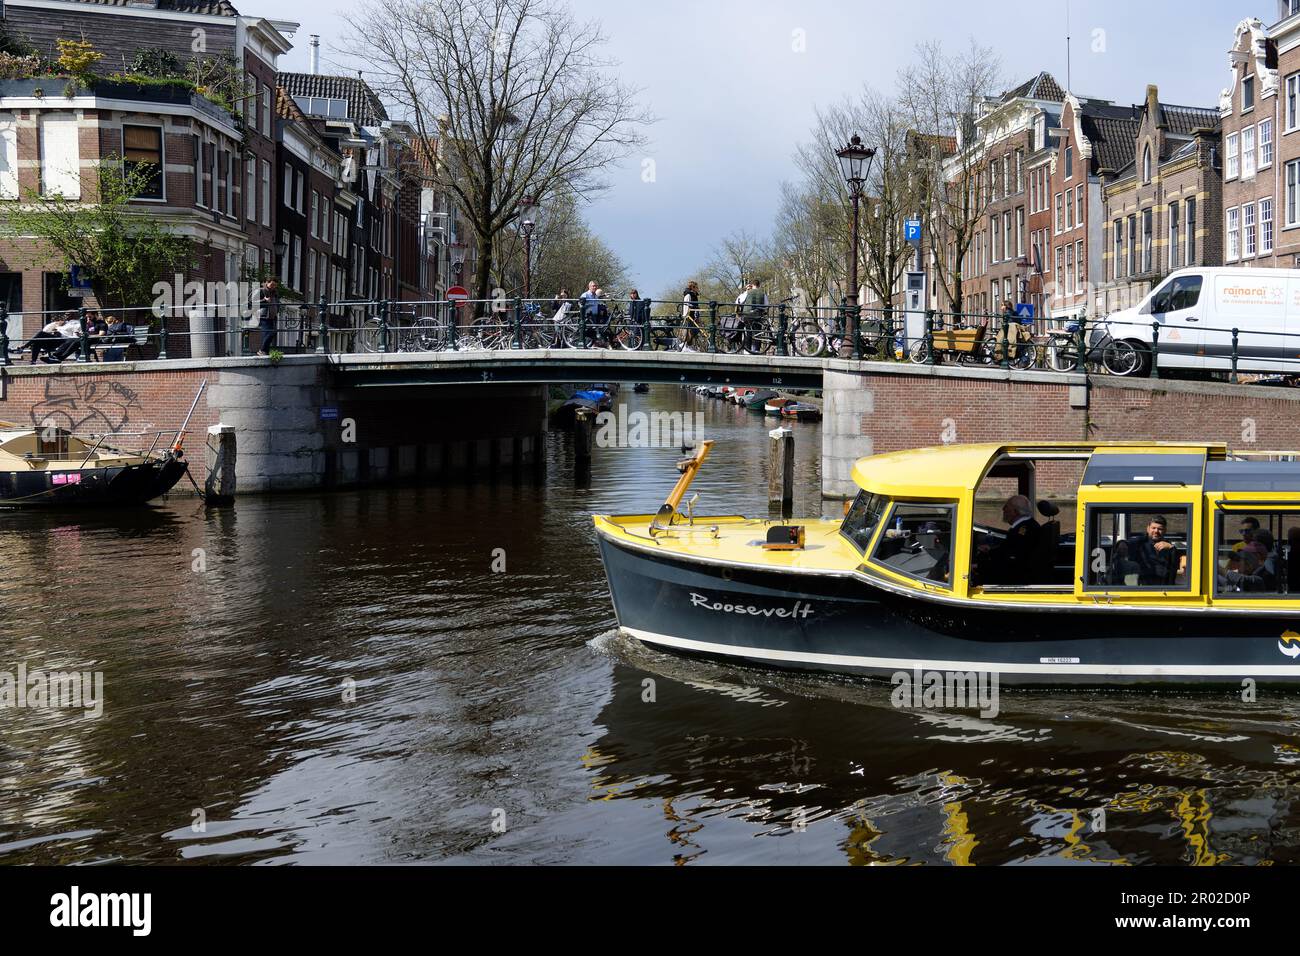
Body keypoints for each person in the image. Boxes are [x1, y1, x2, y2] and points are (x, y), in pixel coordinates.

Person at [976, 495, 1041, 585]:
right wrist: (990, 551)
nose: (1003, 509)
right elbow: (1008, 549)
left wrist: (984, 560)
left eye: (1006, 506)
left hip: (1017, 577)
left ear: (1015, 511)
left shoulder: (1023, 530)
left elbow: (1011, 556)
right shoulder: (1028, 524)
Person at [1125, 515, 1180, 586]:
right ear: (1148, 529)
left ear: (1165, 530)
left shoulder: (1168, 545)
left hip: (1165, 588)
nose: (1156, 531)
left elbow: (1175, 565)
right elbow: (1126, 543)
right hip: (1144, 587)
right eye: (1153, 528)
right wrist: (1122, 543)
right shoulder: (1140, 541)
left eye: (1160, 529)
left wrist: (1172, 548)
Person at [256, 277, 280, 356]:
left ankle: (265, 351)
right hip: (264, 316)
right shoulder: (261, 290)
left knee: (271, 333)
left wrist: (277, 310)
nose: (273, 286)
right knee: (269, 333)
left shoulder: (275, 293)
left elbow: (277, 303)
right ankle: (262, 350)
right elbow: (251, 302)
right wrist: (264, 300)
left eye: (275, 285)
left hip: (272, 317)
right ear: (267, 282)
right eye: (272, 284)